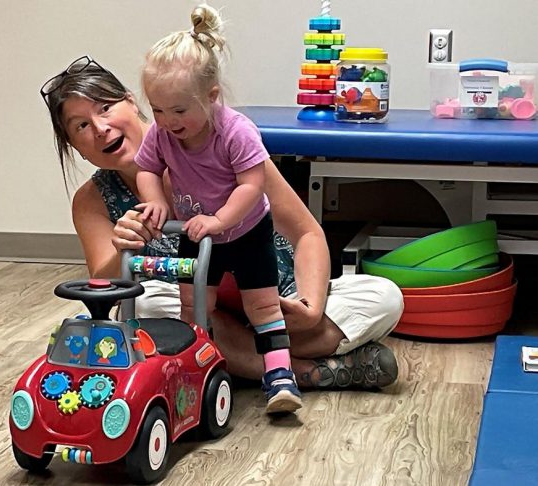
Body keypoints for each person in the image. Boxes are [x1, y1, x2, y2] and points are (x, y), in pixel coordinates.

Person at [40, 51, 403, 393]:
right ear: (74, 145)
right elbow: (106, 287)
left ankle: (240, 361)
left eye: (106, 108)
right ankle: (304, 372)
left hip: (277, 301)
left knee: (385, 297)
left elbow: (307, 233)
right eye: (81, 125)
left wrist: (309, 308)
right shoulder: (92, 200)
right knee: (147, 305)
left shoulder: (227, 146)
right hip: (201, 314)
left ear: (132, 101)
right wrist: (124, 246)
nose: (100, 128)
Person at [134, 5, 301, 414]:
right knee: (192, 305)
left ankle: (280, 375)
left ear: (211, 97)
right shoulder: (160, 135)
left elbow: (252, 185)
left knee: (262, 305)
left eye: (178, 111)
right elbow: (146, 169)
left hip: (246, 232)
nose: (167, 121)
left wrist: (221, 219)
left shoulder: (236, 132)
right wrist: (156, 199)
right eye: (157, 109)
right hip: (196, 234)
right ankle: (198, 366)